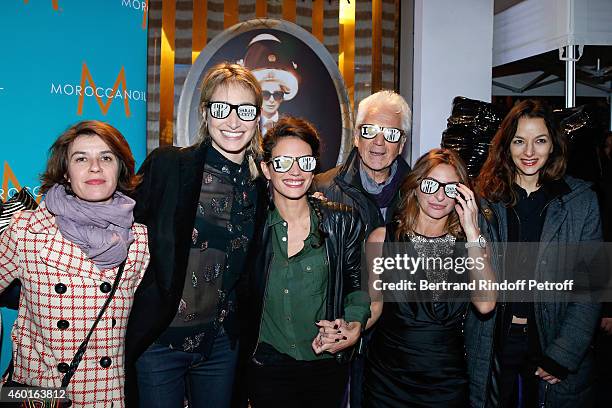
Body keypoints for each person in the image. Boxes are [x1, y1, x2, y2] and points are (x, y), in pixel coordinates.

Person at [124, 63, 266, 408]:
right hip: (161, 341)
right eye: (222, 108)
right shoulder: (169, 166)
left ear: (258, 118)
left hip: (220, 344)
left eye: (245, 111)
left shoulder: (262, 185)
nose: (233, 121)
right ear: (206, 113)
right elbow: (118, 220)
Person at [0, 120, 149, 407]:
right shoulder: (27, 232)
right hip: (42, 397)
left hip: (106, 396)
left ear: (120, 169)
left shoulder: (139, 241)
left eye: (106, 157)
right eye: (81, 158)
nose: (95, 167)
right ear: (66, 173)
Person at [467, 99, 602, 407]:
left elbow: (591, 288)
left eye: (540, 140)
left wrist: (563, 354)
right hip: (492, 341)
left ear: (553, 144)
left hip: (551, 342)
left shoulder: (581, 202)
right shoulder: (484, 201)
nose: (529, 152)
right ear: (506, 145)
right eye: (519, 141)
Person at [244, 117, 370, 408]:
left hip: (324, 363)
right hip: (265, 364)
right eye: (283, 162)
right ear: (266, 168)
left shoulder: (342, 221)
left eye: (305, 161)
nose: (295, 171)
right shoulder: (249, 224)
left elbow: (357, 284)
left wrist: (353, 324)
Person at [363, 148, 495, 407]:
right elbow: (373, 305)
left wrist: (471, 230)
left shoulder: (472, 244)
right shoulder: (382, 239)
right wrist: (349, 325)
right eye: (431, 184)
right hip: (388, 382)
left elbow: (486, 303)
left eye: (450, 188)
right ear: (415, 185)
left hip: (446, 382)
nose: (438, 195)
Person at [313, 89, 412, 407]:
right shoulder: (322, 188)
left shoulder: (421, 195)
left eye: (390, 133)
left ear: (402, 143)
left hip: (400, 338)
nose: (379, 143)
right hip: (338, 328)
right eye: (369, 131)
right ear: (356, 136)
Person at [242, 33, 300, 136]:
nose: (272, 100)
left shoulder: (292, 128)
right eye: (265, 94)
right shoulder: (243, 127)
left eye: (277, 94)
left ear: (283, 96)